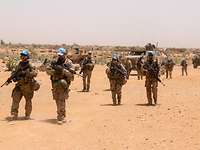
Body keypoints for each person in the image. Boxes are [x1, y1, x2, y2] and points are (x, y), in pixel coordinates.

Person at [46, 48, 75, 124]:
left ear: (65, 54)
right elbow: (47, 71)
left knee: (61, 100)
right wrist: (55, 72)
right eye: (59, 55)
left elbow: (71, 77)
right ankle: (61, 114)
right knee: (57, 100)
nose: (60, 56)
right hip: (55, 84)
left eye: (61, 55)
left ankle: (61, 117)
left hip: (63, 84)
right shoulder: (54, 61)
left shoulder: (69, 63)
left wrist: (63, 71)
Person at [8, 50, 39, 120]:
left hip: (27, 85)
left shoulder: (30, 64)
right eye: (21, 55)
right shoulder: (19, 64)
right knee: (15, 99)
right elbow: (14, 72)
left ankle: (27, 115)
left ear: (27, 56)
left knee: (28, 100)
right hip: (19, 85)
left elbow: (35, 73)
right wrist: (12, 78)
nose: (22, 57)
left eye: (24, 55)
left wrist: (26, 73)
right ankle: (14, 114)